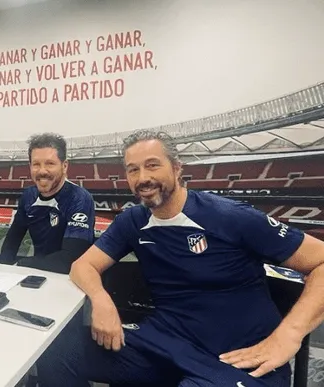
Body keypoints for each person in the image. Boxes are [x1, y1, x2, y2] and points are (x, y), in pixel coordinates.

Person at [36, 129, 324, 387]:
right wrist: (101, 300)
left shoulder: (230, 216)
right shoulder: (133, 220)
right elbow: (82, 265)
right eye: (132, 169)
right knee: (55, 351)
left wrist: (289, 335)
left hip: (238, 359)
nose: (143, 178)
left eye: (152, 165)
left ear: (176, 169)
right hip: (165, 344)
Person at [0, 133, 95, 274]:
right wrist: (2, 272)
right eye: (36, 164)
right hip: (39, 272)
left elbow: (71, 258)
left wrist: (22, 264)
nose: (42, 171)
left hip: (71, 279)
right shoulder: (28, 195)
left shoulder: (79, 198)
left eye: (50, 163)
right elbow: (12, 240)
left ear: (64, 166)